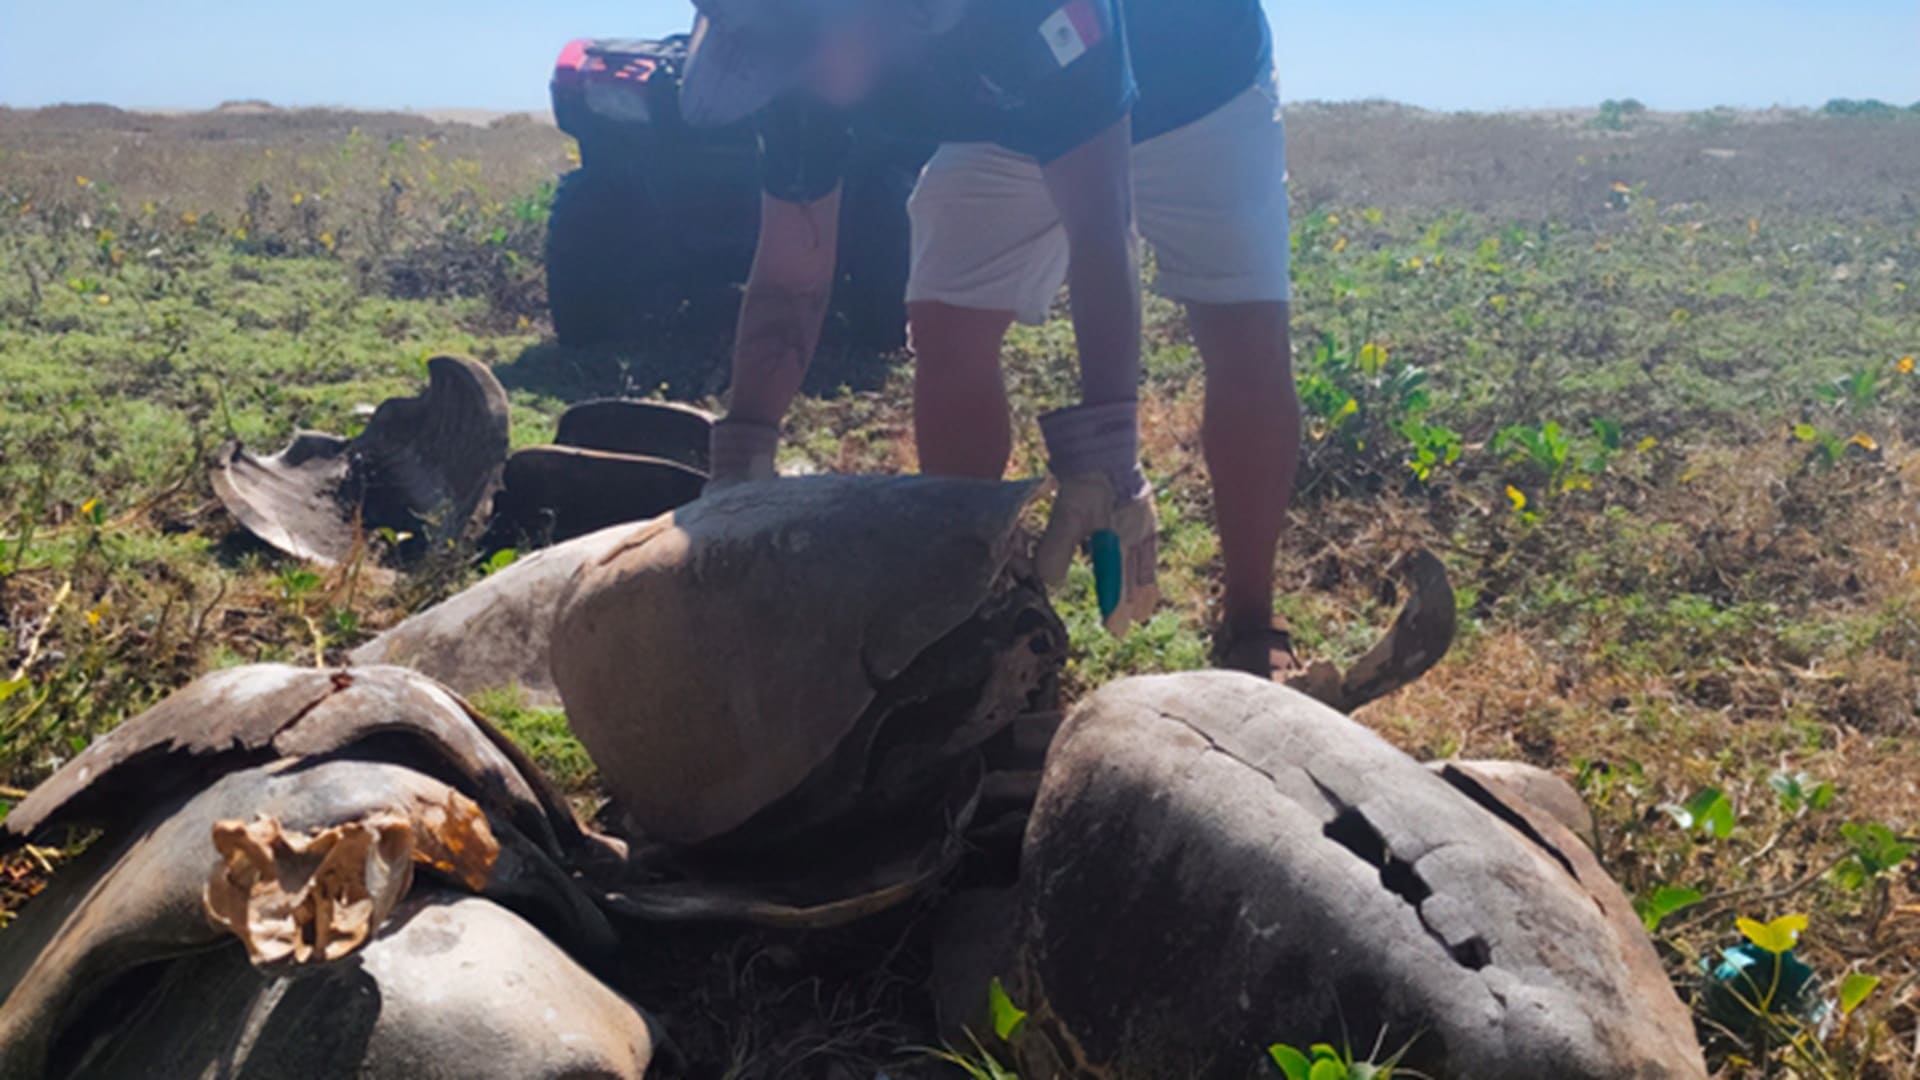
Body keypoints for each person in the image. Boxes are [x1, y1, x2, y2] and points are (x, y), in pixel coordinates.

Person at [684, 0, 1301, 679]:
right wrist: (742, 459)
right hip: (1000, 99)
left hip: (1196, 80)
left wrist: (1108, 460)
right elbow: (791, 271)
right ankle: (975, 597)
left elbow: (1101, 225)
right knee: (947, 318)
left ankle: (1251, 619)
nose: (808, 86)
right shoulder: (787, 51)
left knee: (1244, 329)